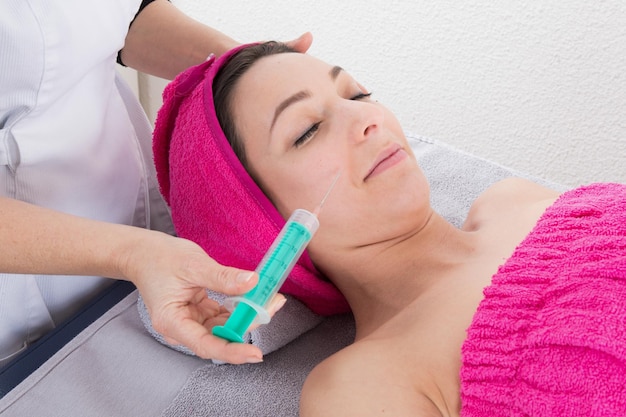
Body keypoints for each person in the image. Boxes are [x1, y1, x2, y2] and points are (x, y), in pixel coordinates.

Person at [154, 41, 626, 416]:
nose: (368, 118)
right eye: (307, 130)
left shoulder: (513, 200)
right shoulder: (361, 389)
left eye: (357, 94)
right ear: (264, 231)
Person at [0, 0, 312, 367]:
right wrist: (134, 253)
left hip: (139, 246)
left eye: (357, 96)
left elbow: (116, 15)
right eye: (308, 132)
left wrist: (244, 73)